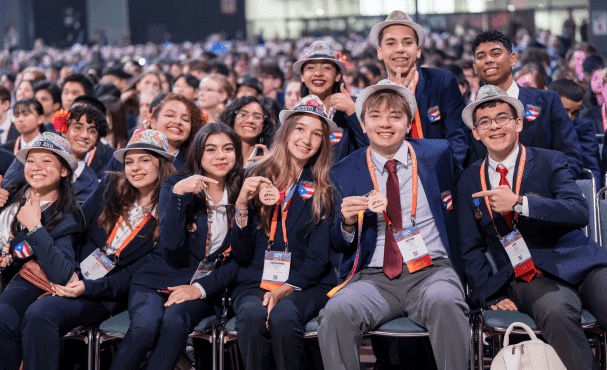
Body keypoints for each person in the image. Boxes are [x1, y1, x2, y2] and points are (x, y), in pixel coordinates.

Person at [317, 81, 470, 370]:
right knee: (336, 313)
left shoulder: (437, 154)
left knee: (446, 303)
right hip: (373, 279)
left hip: (431, 271)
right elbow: (337, 243)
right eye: (375, 116)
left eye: (395, 116)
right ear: (362, 123)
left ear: (410, 123)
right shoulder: (344, 170)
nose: (385, 124)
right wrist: (347, 224)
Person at [456, 84, 607, 370]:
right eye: (484, 122)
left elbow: (578, 212)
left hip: (578, 260)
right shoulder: (469, 180)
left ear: (518, 123)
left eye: (502, 118)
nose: (494, 127)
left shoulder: (550, 161)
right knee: (556, 311)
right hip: (526, 273)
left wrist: (520, 203)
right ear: (475, 132)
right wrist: (491, 295)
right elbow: (470, 248)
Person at [16, 129, 175, 370]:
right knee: (13, 309)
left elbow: (135, 275)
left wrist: (86, 287)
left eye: (145, 160)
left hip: (107, 293)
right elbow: (77, 224)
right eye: (129, 161)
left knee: (41, 312)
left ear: (161, 165)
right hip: (74, 274)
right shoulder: (111, 187)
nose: (135, 168)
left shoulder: (169, 213)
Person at [107, 123, 243, 369]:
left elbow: (241, 259)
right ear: (198, 154)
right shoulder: (175, 185)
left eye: (228, 149)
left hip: (200, 286)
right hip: (153, 279)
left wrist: (199, 289)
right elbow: (170, 243)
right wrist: (179, 196)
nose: (220, 156)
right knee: (144, 326)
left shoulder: (243, 193)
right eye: (211, 149)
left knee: (174, 321)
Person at [231, 95, 337, 370]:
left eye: (316, 134)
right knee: (252, 316)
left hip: (305, 283)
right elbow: (241, 255)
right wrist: (242, 204)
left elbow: (318, 259)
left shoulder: (324, 186)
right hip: (256, 280)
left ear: (323, 142)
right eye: (300, 129)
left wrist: (283, 290)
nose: (306, 139)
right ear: (287, 131)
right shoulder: (255, 174)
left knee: (283, 316)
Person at [0, 132, 84, 369]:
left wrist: (35, 227)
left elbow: (63, 275)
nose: (36, 167)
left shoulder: (68, 217)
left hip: (15, 285)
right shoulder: (9, 194)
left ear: (64, 170)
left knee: (4, 318)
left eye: (47, 161)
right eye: (31, 160)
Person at [468, 30, 583, 177]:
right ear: (475, 66)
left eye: (496, 53)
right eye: (481, 56)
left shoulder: (548, 102)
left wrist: (541, 186)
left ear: (513, 59)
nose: (489, 60)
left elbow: (572, 157)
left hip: (544, 193)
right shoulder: (470, 113)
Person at [370, 10, 469, 169]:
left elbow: (458, 138)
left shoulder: (441, 82)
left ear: (418, 50)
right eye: (391, 43)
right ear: (380, 52)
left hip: (440, 176)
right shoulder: (373, 96)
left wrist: (441, 175)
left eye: (407, 42)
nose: (400, 49)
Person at [294, 40, 368, 161]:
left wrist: (352, 113)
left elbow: (371, 149)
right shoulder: (293, 115)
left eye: (326, 68)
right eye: (311, 68)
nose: (318, 73)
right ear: (302, 76)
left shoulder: (350, 114)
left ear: (337, 76)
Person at [548, 79, 601, 184]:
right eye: (565, 110)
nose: (569, 117)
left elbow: (592, 170)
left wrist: (592, 197)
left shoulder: (583, 129)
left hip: (573, 185)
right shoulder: (538, 127)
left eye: (575, 112)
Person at [219, 96, 275, 166]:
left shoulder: (271, 156)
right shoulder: (219, 153)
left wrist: (269, 167)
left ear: (264, 125)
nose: (250, 120)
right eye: (243, 114)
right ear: (232, 119)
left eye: (257, 117)